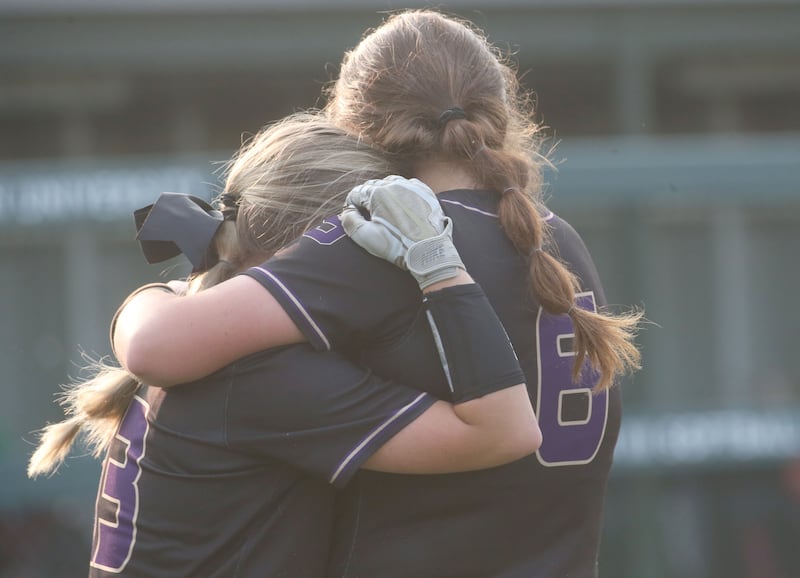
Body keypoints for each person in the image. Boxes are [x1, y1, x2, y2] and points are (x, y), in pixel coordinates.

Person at [107, 9, 643, 578]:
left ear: (352, 131)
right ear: (500, 113)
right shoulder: (553, 238)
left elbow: (156, 347)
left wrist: (165, 288)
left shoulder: (376, 237)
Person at [28, 113, 541, 577]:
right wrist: (435, 263)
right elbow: (502, 432)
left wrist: (158, 294)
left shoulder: (205, 332)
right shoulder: (264, 375)